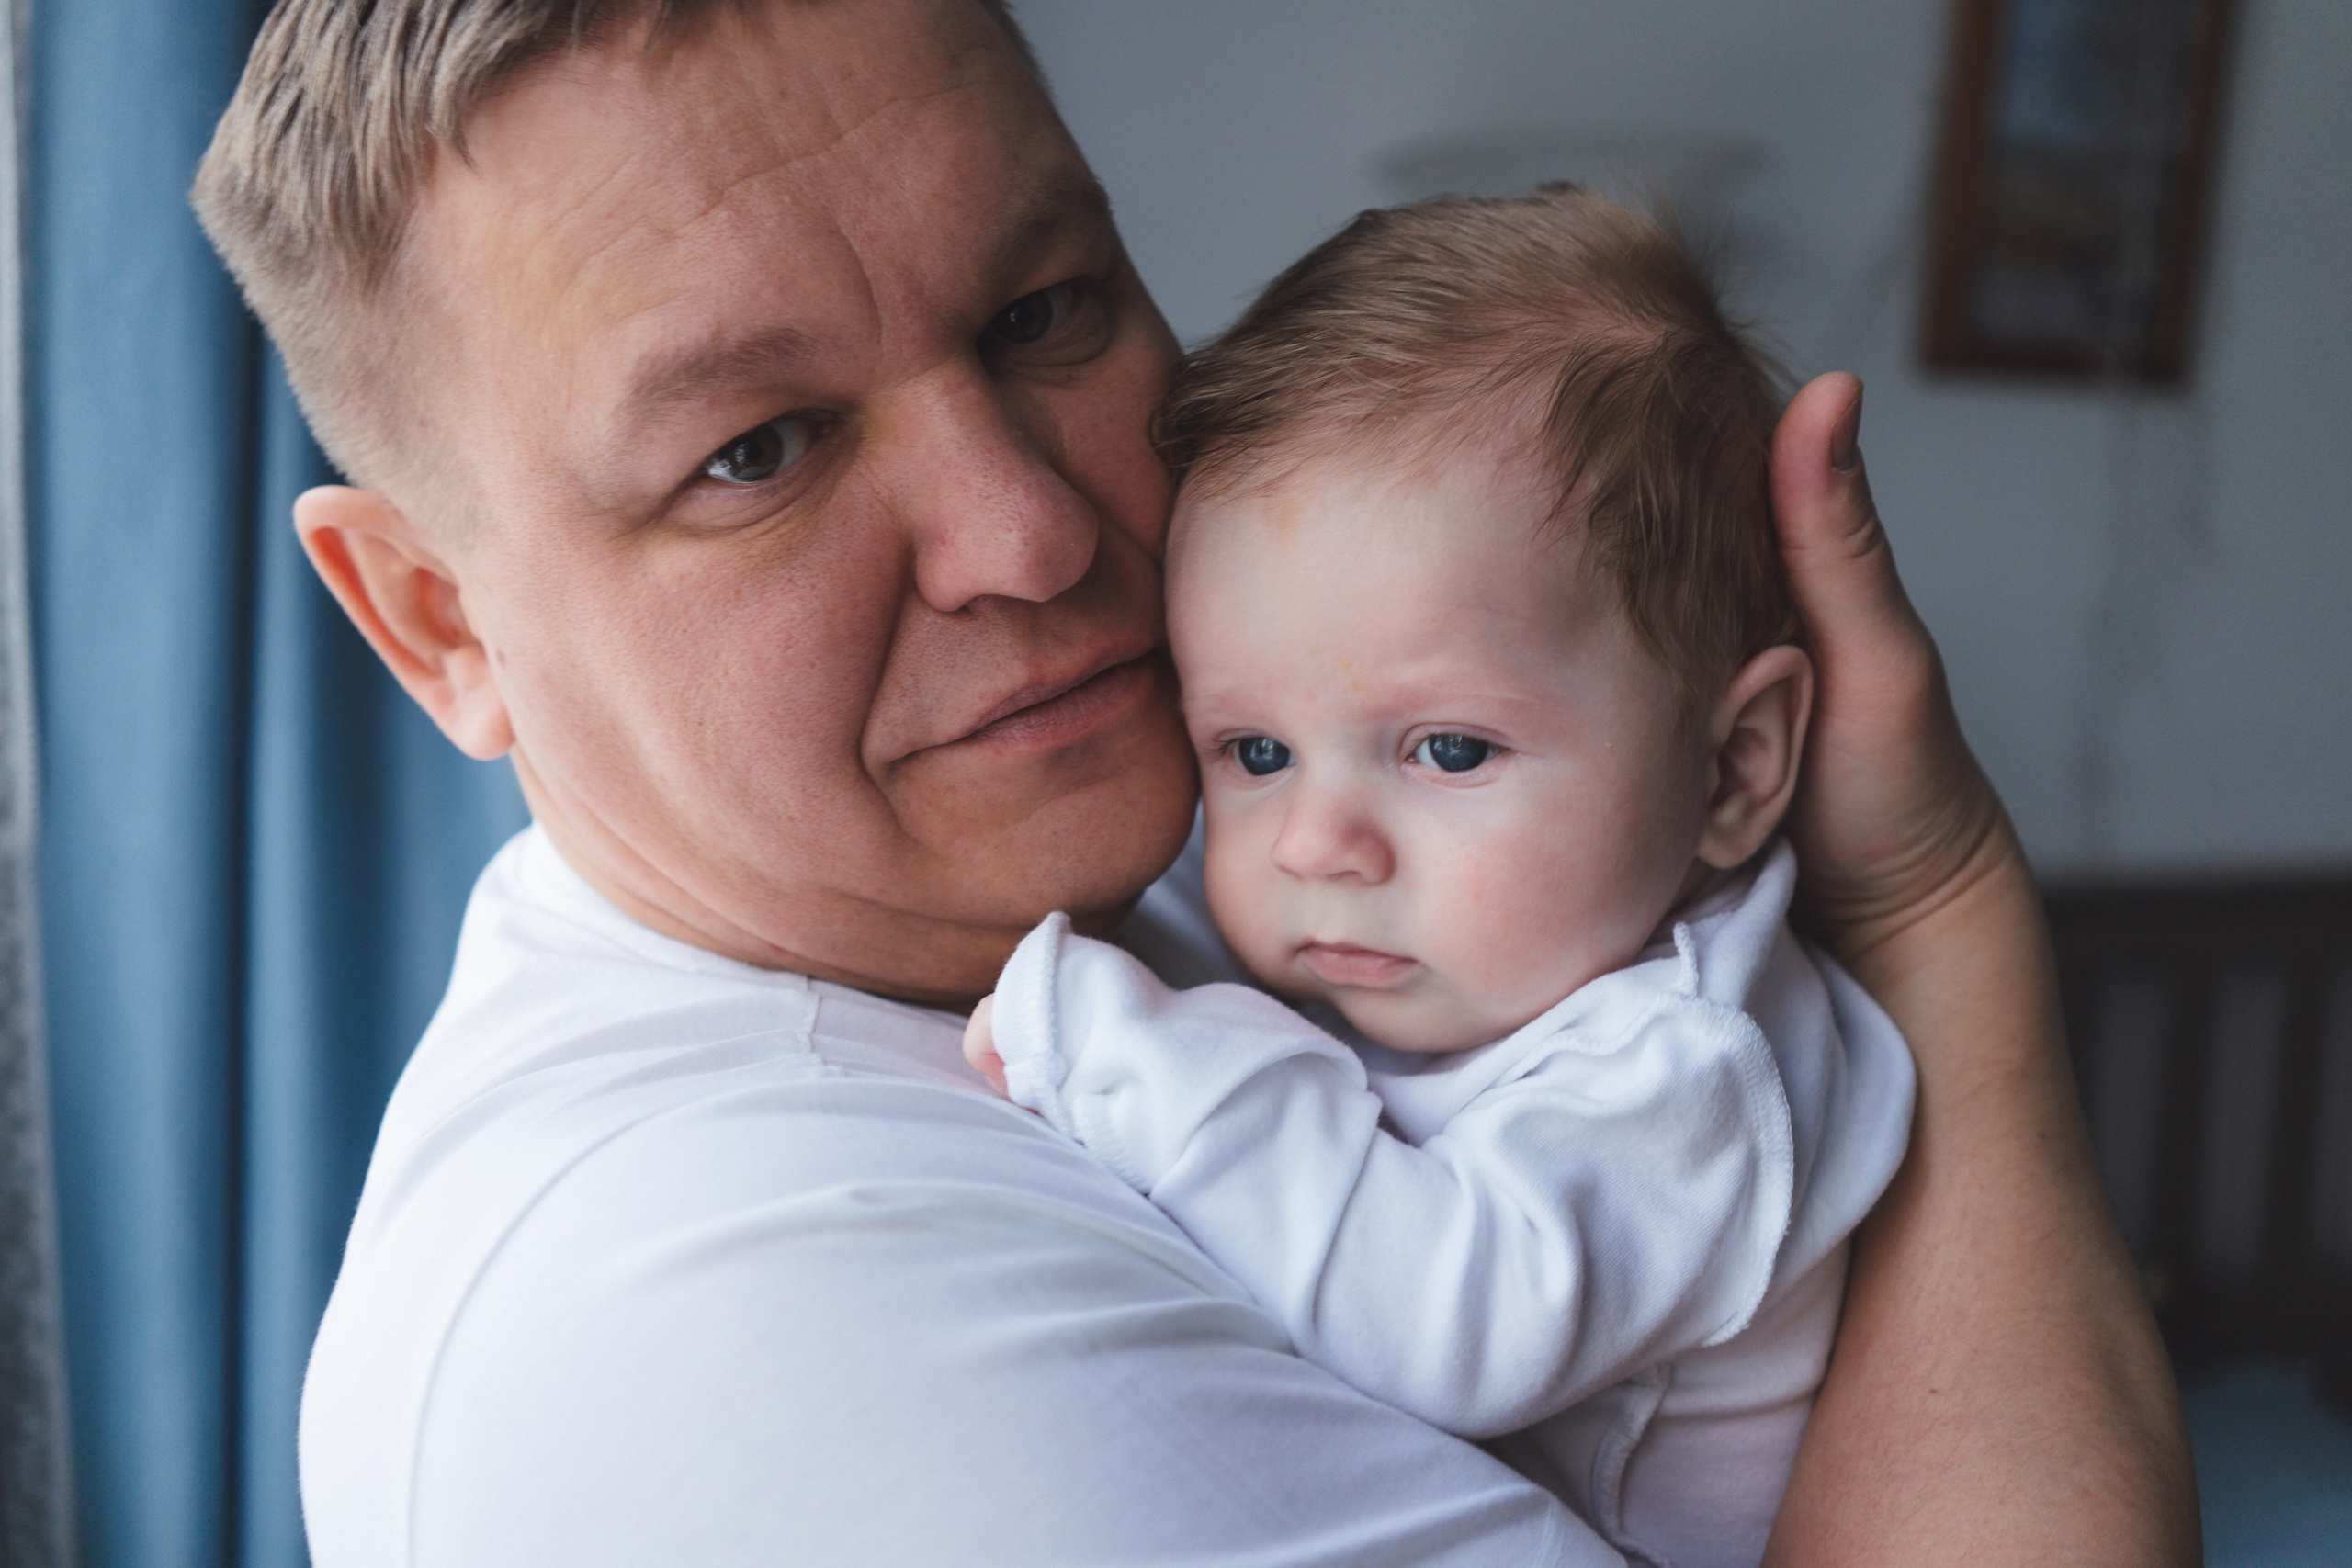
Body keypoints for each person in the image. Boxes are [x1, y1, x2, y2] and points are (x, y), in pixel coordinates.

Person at [187, 0, 2197, 1562]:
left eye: (1043, 312)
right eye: (759, 451)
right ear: (437, 622)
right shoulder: (755, 1313)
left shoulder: (1126, 913)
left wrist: (1917, 898)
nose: (1031, 531)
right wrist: (1935, 916)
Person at [961, 186, 1917, 1568]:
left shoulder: (1690, 1061)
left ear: (1729, 771)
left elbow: (1451, 1323)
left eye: (1450, 749)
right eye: (1257, 748)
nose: (1316, 846)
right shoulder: (1480, 937)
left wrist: (1125, 1049)